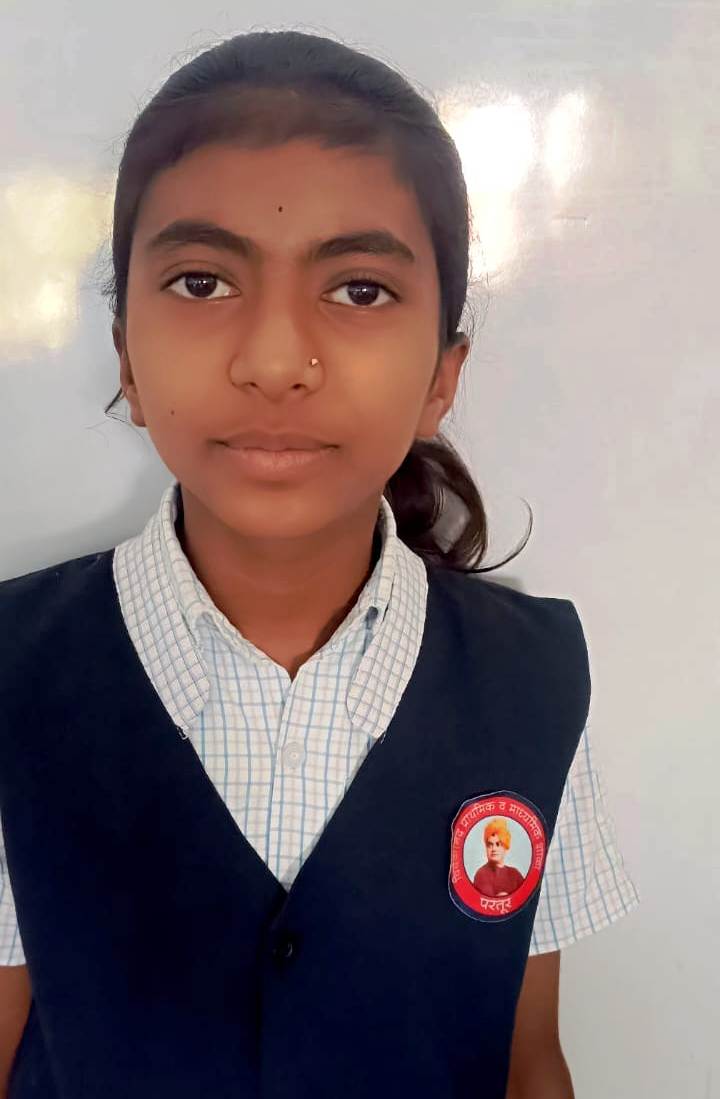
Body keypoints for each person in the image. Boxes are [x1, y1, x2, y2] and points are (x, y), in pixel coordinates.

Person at [0, 28, 639, 1099]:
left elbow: (528, 1058)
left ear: (442, 376)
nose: (273, 362)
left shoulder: (532, 683)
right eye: (202, 281)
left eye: (359, 291)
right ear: (126, 356)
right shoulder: (15, 674)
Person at [473, 818, 526, 898]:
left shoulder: (515, 874)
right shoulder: (481, 874)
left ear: (505, 847)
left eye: (498, 844)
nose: (494, 849)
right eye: (490, 845)